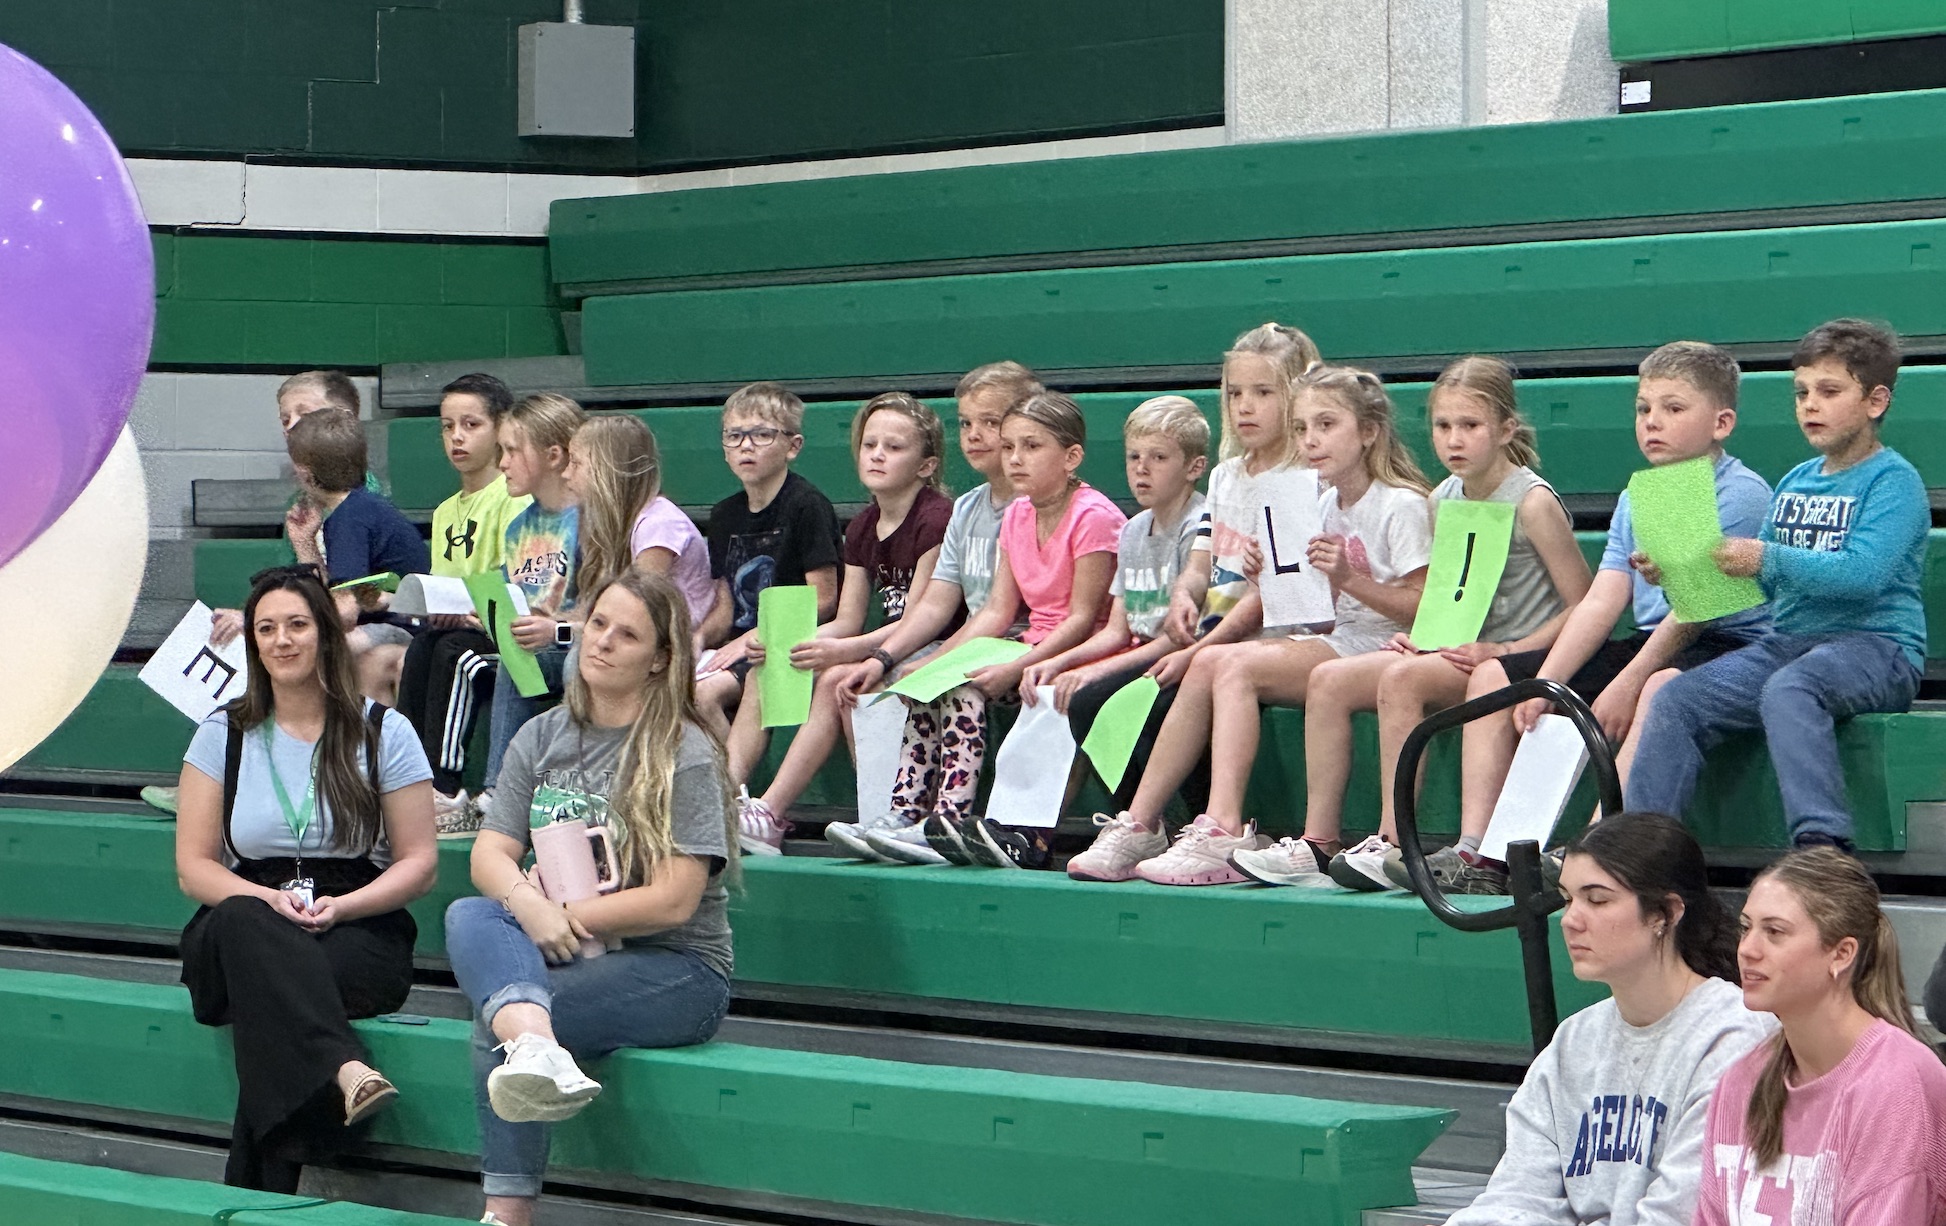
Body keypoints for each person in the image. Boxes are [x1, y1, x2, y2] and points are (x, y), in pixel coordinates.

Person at [445, 570, 738, 1226]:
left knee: (502, 1019)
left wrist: (561, 917)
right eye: (598, 623)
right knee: (469, 914)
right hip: (567, 945)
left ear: (659, 658)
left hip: (677, 969)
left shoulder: (685, 750)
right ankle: (537, 1049)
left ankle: (506, 1213)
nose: (601, 641)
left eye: (626, 634)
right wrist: (531, 907)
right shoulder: (542, 735)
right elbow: (489, 855)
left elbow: (675, 901)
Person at [1235, 356, 1592, 889]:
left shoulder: (1532, 502)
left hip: (1519, 656)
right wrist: (1424, 637)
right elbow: (1451, 596)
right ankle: (1317, 841)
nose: (1453, 440)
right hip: (1461, 651)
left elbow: (1584, 604)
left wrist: (1506, 649)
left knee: (1401, 680)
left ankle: (1393, 839)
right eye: (1442, 426)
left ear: (1506, 430)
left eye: (1469, 426)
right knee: (1329, 680)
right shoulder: (1443, 497)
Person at [1437, 342, 1774, 895]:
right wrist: (1548, 682)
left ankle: (1591, 853)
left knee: (1658, 687)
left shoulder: (1741, 494)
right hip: (1652, 639)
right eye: (1644, 408)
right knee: (1496, 677)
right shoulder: (1639, 493)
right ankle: (1480, 853)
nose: (1652, 422)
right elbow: (1601, 599)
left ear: (1721, 423)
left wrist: (1627, 682)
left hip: (1726, 643)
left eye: (1673, 408)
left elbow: (1693, 614)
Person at [1109, 365, 1434, 887]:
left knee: (1235, 666)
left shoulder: (1401, 504)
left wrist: (1348, 579)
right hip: (1341, 637)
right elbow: (1317, 609)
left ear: (1369, 432)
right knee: (1211, 660)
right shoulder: (1322, 504)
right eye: (1302, 428)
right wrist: (1270, 579)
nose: (1310, 440)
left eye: (1326, 425)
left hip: (1387, 643)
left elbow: (1424, 609)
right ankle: (1141, 822)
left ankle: (1227, 829)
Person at [172, 565, 437, 1192]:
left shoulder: (384, 729)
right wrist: (268, 899)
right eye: (266, 628)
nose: (281, 640)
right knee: (243, 924)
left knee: (273, 1000)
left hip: (353, 916)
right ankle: (342, 1065)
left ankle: (254, 1197)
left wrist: (345, 909)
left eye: (296, 624)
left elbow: (420, 862)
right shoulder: (221, 733)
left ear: (324, 633)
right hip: (245, 916)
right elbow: (194, 867)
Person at [1627, 321, 1928, 853]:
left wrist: (1764, 556)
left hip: (1878, 648)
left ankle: (1821, 846)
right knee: (1676, 699)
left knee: (1791, 687)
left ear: (1875, 401)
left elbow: (1862, 576)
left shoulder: (1893, 481)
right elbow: (1759, 585)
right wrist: (1680, 575)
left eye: (1829, 392)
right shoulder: (1795, 480)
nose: (1810, 405)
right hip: (1788, 643)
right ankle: (1643, 854)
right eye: (1801, 393)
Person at [1066, 323, 1319, 881]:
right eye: (1235, 393)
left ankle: (1203, 825)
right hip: (1215, 634)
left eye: (1263, 392)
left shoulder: (1302, 480)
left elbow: (1266, 596)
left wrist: (1197, 648)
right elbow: (1201, 563)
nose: (1244, 406)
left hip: (1271, 636)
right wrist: (1184, 593)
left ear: (1296, 396)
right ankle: (1142, 825)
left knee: (1174, 691)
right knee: (1093, 700)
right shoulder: (1227, 477)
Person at [1447, 813, 1772, 1226]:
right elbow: (1515, 1197)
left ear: (1666, 913)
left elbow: (1681, 1213)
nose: (1571, 920)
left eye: (1597, 900)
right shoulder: (1573, 1041)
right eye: (1568, 899)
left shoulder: (1736, 1037)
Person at [858, 390, 1125, 870]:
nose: (1015, 458)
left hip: (1082, 648)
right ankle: (904, 813)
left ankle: (947, 821)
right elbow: (996, 611)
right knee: (931, 685)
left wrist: (1019, 666)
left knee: (966, 691)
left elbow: (1083, 619)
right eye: (1009, 447)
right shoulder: (1019, 512)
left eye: (1031, 447)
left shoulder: (1094, 517)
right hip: (1031, 641)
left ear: (1071, 457)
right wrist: (932, 663)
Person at [832, 361, 1044, 864]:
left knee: (951, 683)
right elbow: (936, 602)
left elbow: (1000, 612)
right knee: (919, 677)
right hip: (980, 639)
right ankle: (902, 814)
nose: (975, 435)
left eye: (990, 422)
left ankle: (946, 822)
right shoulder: (967, 507)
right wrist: (885, 658)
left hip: (1025, 641)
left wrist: (938, 660)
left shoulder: (1034, 505)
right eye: (966, 423)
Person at [733, 393, 952, 855]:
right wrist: (786, 642)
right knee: (767, 667)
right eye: (869, 444)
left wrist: (844, 651)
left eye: (894, 447)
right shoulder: (863, 525)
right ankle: (727, 797)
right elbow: (849, 618)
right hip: (886, 644)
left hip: (934, 644)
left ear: (926, 465)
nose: (877, 455)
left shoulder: (935, 519)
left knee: (838, 678)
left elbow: (921, 620)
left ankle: (786, 810)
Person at [1697, 847, 1946, 1223]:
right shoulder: (1740, 1080)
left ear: (1841, 954)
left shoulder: (1900, 1084)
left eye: (1774, 932)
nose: (1747, 949)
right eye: (1746, 928)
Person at [1014, 395, 1207, 834]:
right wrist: (1061, 662)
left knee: (1148, 706)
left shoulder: (1199, 526)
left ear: (1194, 467)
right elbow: (1118, 629)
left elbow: (1181, 636)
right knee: (1083, 698)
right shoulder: (1134, 529)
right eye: (1134, 457)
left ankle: (1186, 819)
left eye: (1158, 458)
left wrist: (1098, 670)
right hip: (1143, 653)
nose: (1141, 469)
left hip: (1182, 656)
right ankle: (1138, 822)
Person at [395, 373, 530, 835]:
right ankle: (405, 778)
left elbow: (517, 588)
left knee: (456, 653)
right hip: (457, 627)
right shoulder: (445, 511)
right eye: (447, 426)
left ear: (501, 428)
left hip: (499, 634)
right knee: (423, 646)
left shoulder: (514, 500)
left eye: (471, 425)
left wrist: (470, 610)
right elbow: (443, 585)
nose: (457, 437)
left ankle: (445, 787)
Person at [693, 382, 843, 766]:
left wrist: (760, 635)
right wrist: (699, 640)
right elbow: (725, 601)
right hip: (738, 644)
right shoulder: (723, 514)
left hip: (786, 643)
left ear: (793, 446)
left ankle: (730, 789)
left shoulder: (807, 506)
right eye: (734, 436)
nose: (746, 446)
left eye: (762, 435)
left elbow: (824, 600)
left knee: (704, 695)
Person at [477, 393, 589, 817]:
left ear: (554, 456)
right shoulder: (518, 527)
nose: (502, 463)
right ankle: (495, 791)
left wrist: (553, 628)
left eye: (511, 451)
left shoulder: (590, 521)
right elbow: (513, 598)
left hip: (574, 642)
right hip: (535, 644)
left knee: (536, 658)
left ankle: (521, 789)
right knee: (509, 653)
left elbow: (602, 609)